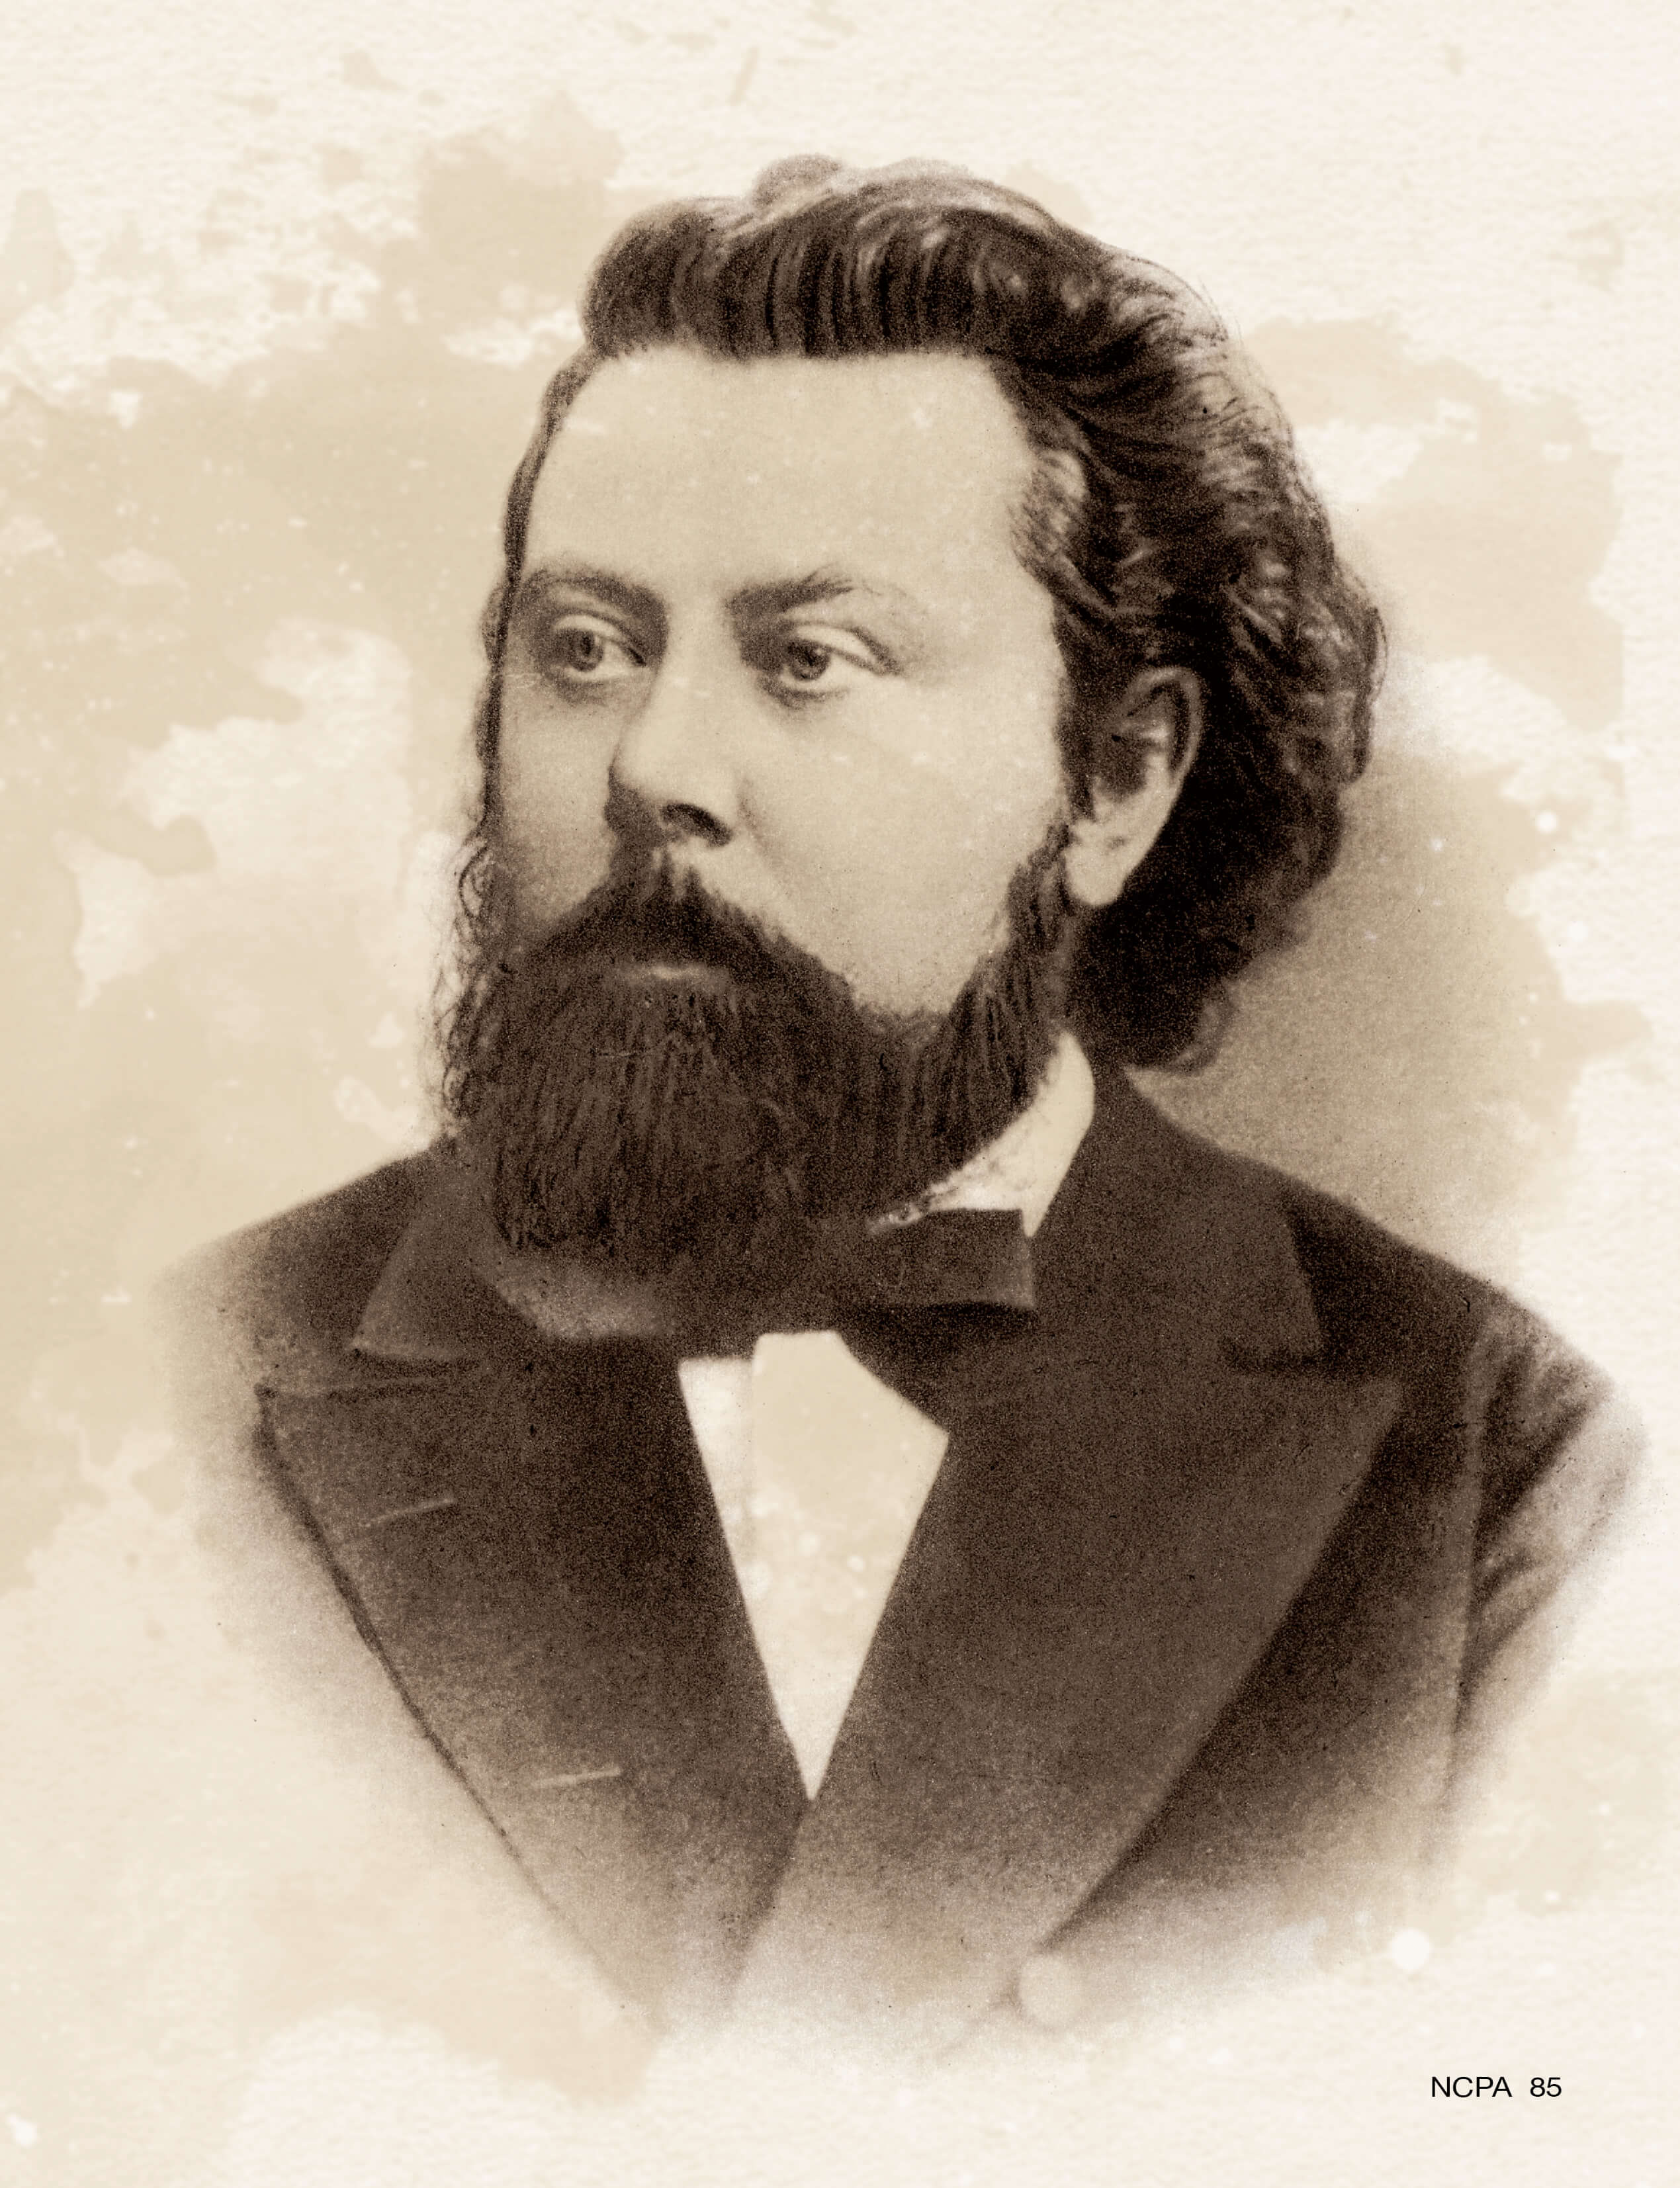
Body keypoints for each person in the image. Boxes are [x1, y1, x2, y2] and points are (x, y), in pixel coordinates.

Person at [163, 159, 1638, 2060]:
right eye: (588, 649)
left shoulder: (1501, 1465)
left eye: (809, 661)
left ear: (1114, 777)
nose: (656, 768)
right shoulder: (177, 1391)